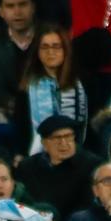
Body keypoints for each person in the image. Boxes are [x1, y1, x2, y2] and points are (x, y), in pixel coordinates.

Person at [13, 26, 86, 156]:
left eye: (56, 46)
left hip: (77, 155)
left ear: (65, 49)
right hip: (38, 157)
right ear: (37, 52)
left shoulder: (82, 83)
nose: (50, 52)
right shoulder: (27, 86)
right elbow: (21, 128)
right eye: (44, 47)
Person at [15, 115, 100, 221]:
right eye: (57, 138)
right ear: (44, 143)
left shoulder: (92, 166)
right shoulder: (27, 166)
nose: (64, 143)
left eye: (68, 136)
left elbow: (88, 207)